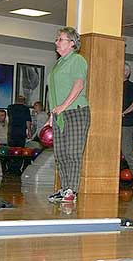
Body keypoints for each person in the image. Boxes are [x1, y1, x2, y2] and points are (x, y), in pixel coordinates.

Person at [46, 26, 91, 204]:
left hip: (76, 112)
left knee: (73, 153)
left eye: (60, 39)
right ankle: (65, 189)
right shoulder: (58, 63)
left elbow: (79, 85)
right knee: (60, 154)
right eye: (56, 39)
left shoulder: (77, 60)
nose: (56, 42)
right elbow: (55, 91)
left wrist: (63, 106)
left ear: (72, 43)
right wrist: (52, 114)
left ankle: (72, 190)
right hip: (60, 114)